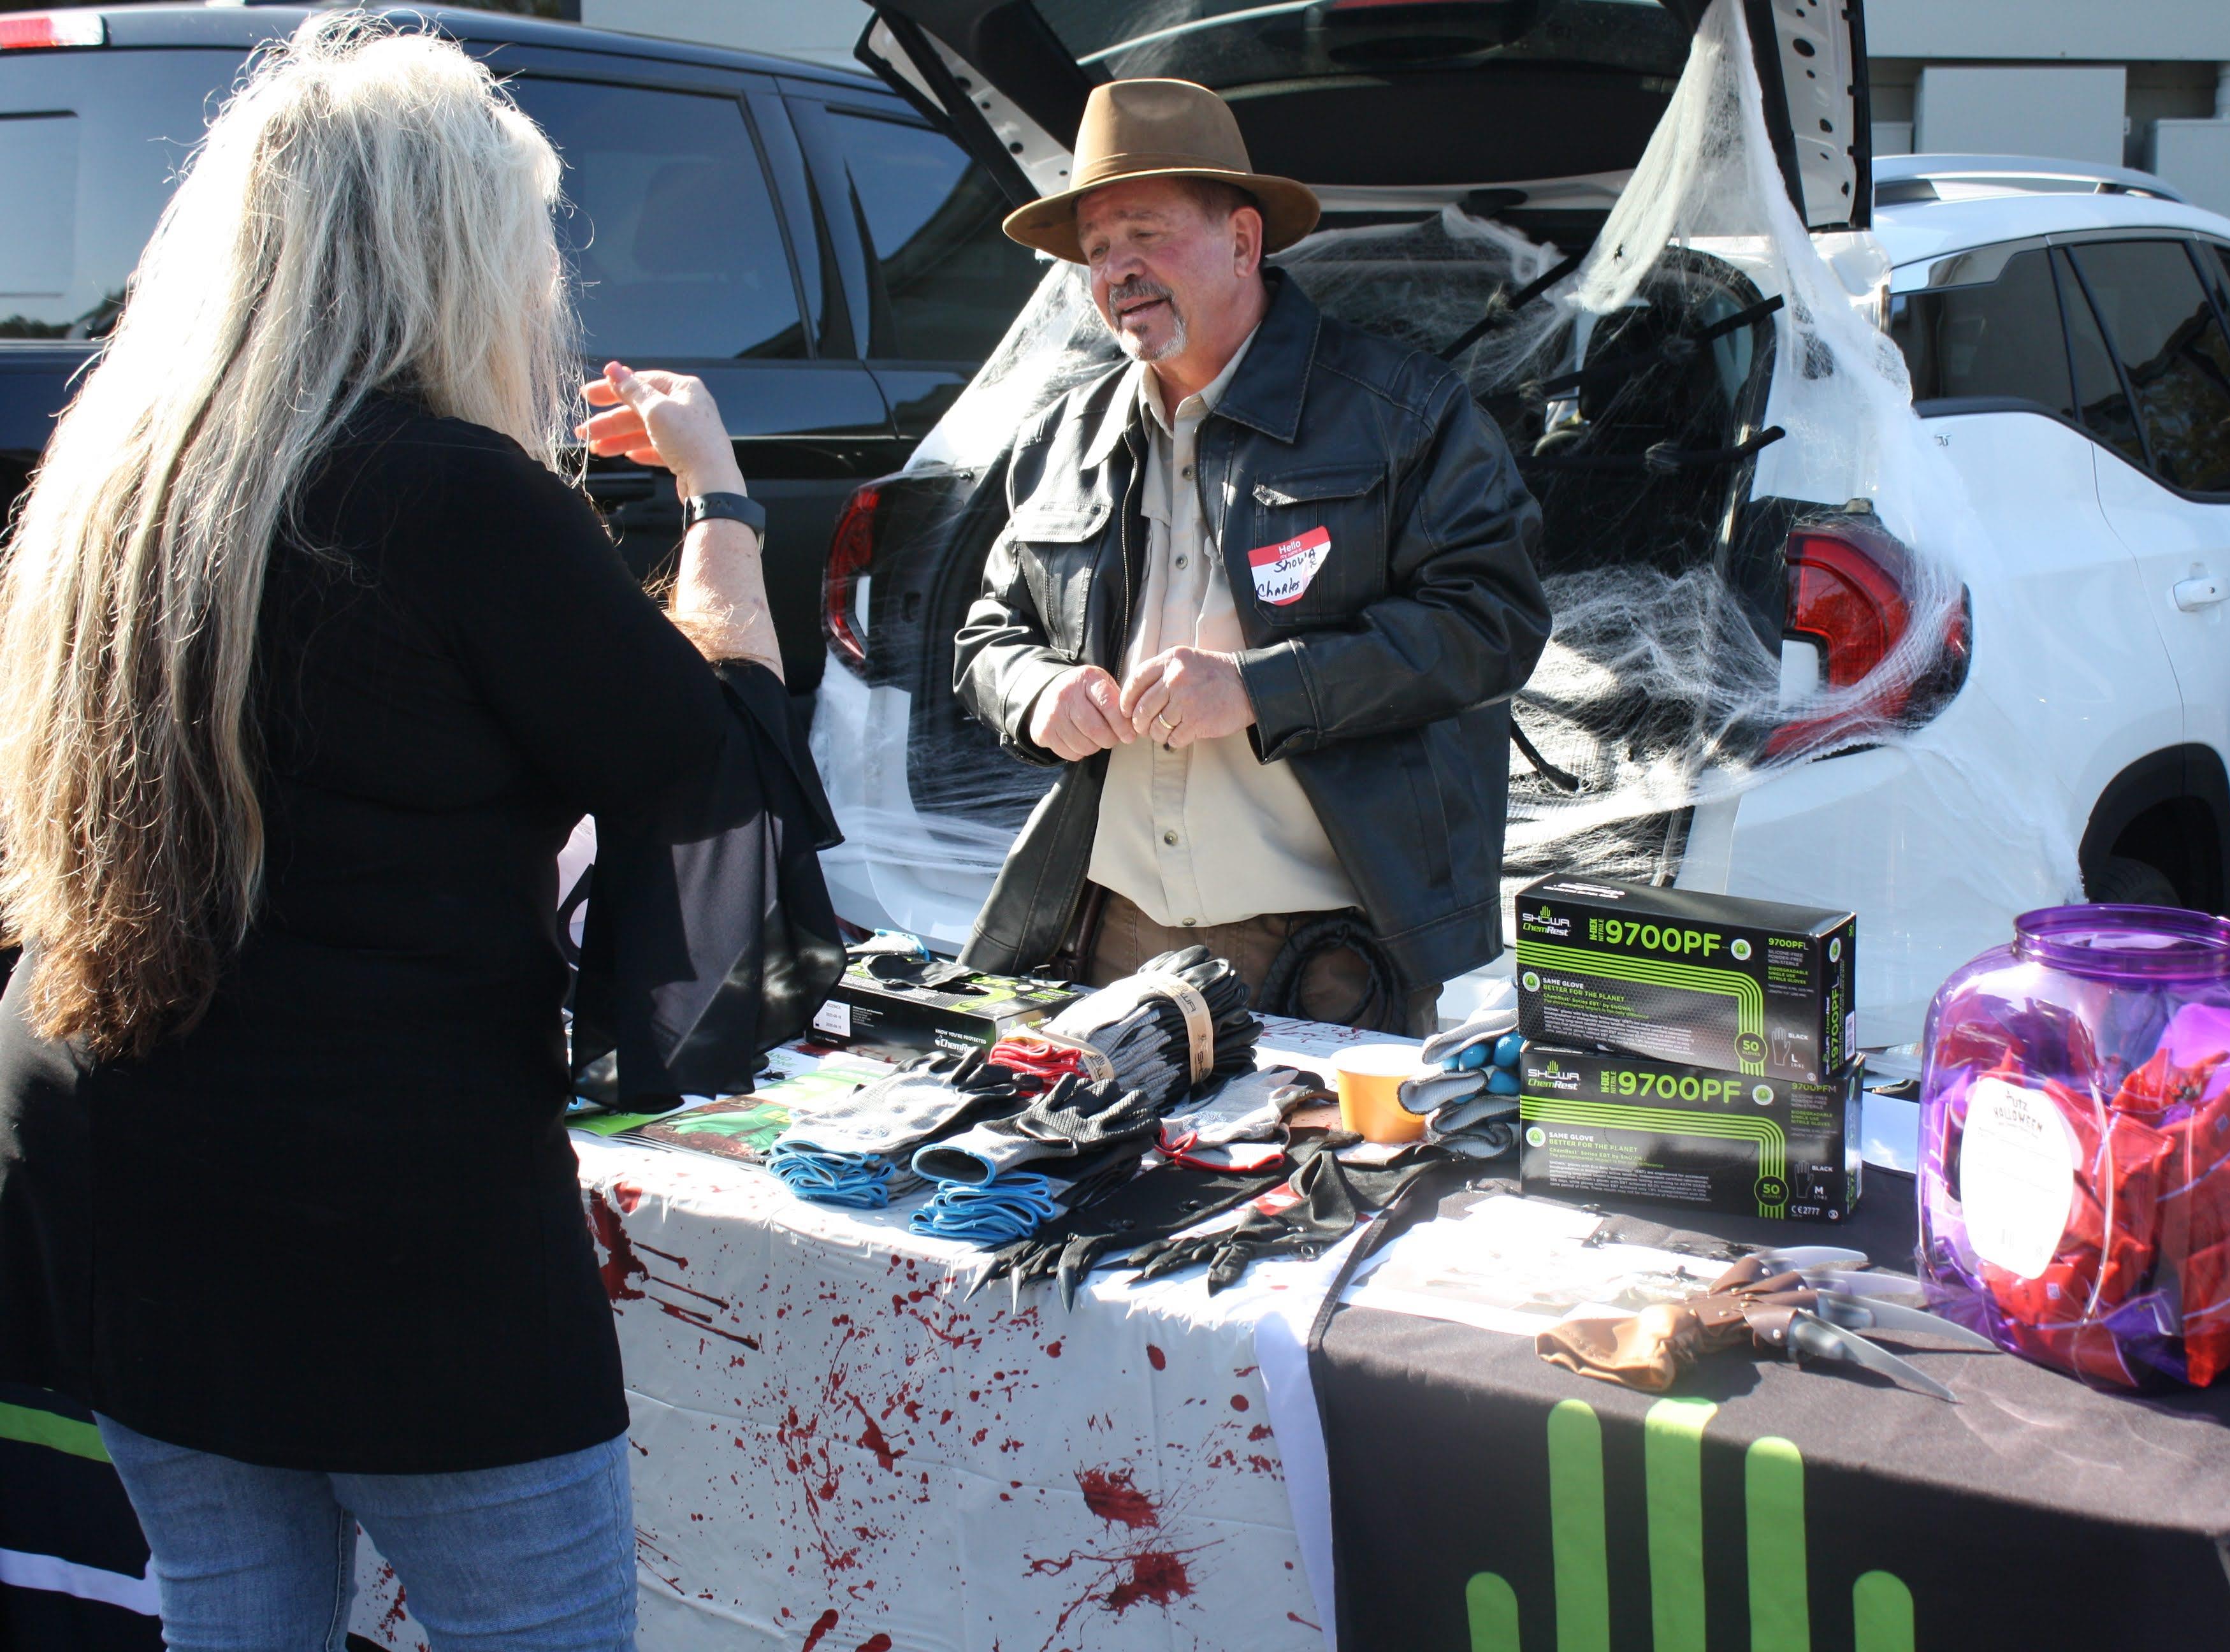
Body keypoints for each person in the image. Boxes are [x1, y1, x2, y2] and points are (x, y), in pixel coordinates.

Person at [0, 18, 830, 1649]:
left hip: (112, 1146)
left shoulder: (123, 476)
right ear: (447, 247)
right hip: (378, 1200)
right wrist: (718, 501)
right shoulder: (445, 491)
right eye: (527, 231)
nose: (543, 273)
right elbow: (713, 759)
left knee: (240, 1620)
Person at [953, 78, 1551, 1034]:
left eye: (1145, 234)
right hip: (1108, 935)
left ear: (1243, 241)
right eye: (1098, 250)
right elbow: (988, 635)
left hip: (1325, 951)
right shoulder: (1060, 439)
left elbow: (1491, 623)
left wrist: (1258, 690)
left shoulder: (1405, 411)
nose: (1118, 270)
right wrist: (1034, 694)